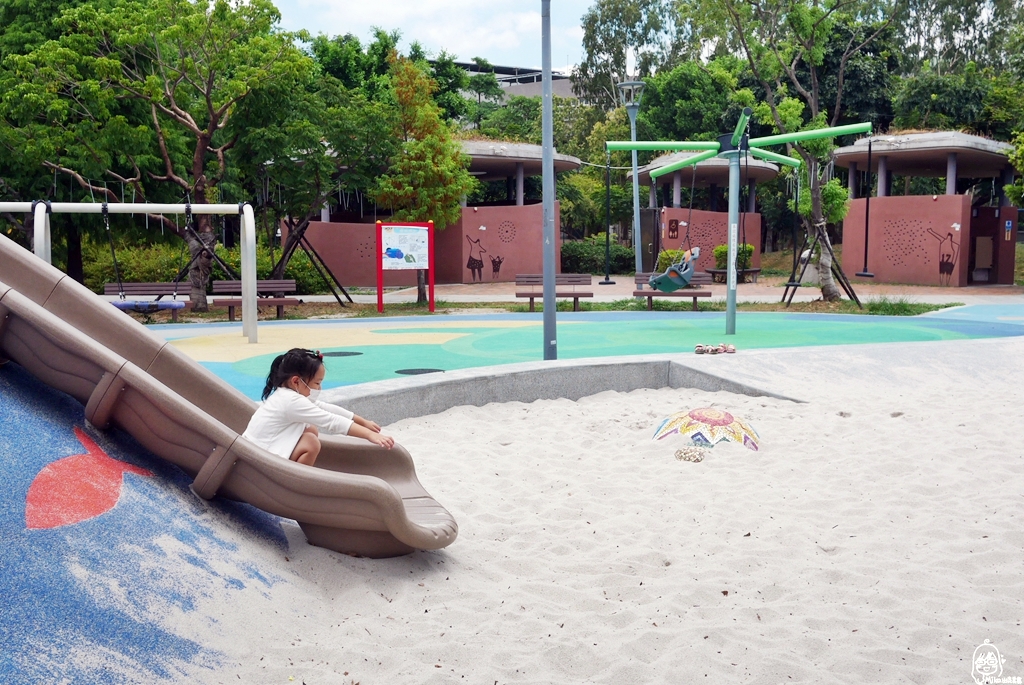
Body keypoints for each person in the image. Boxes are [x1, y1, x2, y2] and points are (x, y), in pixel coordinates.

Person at [242, 348, 394, 466]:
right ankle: (296, 484)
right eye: (316, 383)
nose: (319, 388)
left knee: (311, 430)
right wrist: (369, 435)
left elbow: (325, 408)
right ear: (296, 381)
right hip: (259, 461)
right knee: (311, 442)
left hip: (257, 452)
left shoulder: (287, 395)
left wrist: (363, 422)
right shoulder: (292, 402)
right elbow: (331, 421)